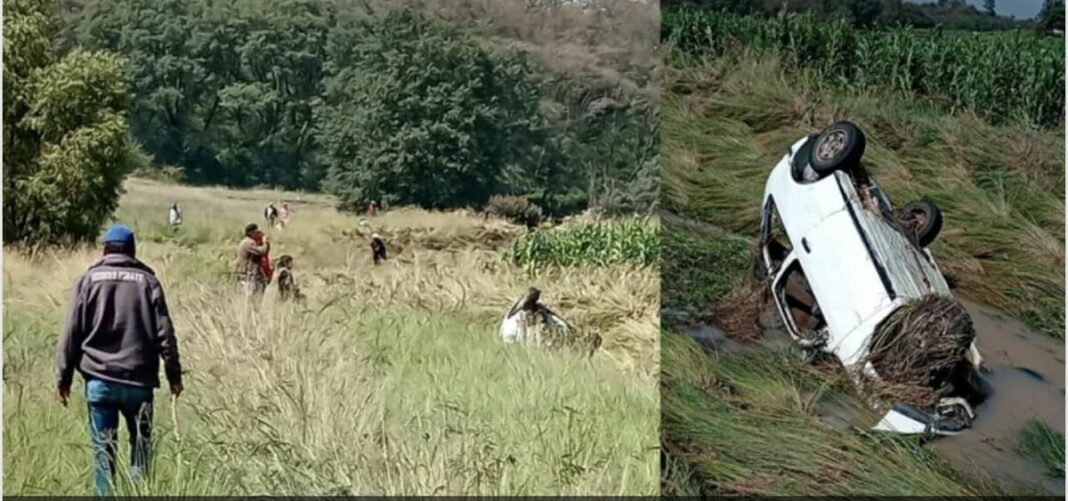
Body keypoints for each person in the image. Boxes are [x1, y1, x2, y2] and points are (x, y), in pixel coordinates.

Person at [54, 224, 183, 496]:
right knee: (141, 451)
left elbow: (71, 332)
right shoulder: (149, 282)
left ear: (104, 249)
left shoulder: (88, 281)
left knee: (104, 456)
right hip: (140, 381)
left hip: (99, 380)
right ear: (133, 250)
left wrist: (63, 378)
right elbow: (165, 333)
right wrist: (174, 375)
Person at [236, 223, 271, 300]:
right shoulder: (249, 243)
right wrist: (265, 242)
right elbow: (262, 251)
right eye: (256, 233)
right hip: (250, 275)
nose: (258, 235)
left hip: (248, 274)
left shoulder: (245, 242)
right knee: (252, 299)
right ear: (251, 233)